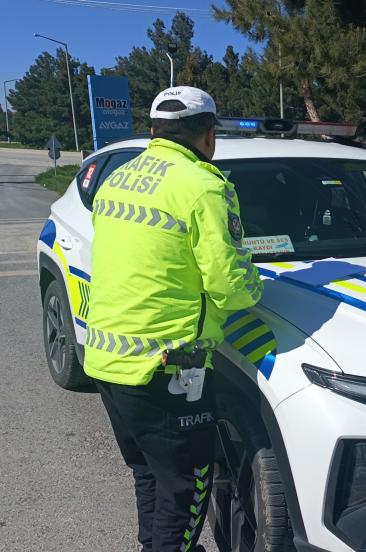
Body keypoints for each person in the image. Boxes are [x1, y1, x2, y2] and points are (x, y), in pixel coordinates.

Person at [83, 86, 263, 552]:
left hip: (106, 358)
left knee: (149, 472)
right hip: (164, 368)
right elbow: (230, 284)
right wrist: (257, 288)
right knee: (188, 485)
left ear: (153, 131)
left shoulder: (117, 178)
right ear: (209, 135)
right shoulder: (204, 186)